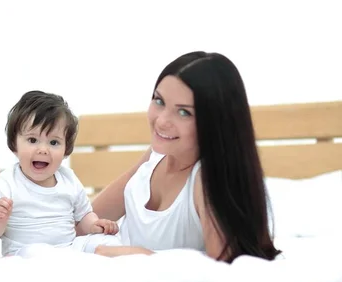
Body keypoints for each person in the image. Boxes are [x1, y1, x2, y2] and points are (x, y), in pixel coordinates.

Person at [91, 51, 281, 263]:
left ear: (216, 121)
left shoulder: (205, 179)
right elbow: (87, 217)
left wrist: (140, 256)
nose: (162, 121)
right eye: (159, 101)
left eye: (184, 113)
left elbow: (224, 270)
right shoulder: (156, 155)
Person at [0, 90, 120, 256]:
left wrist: (94, 225)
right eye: (32, 140)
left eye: (54, 142)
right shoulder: (6, 182)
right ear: (14, 144)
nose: (43, 149)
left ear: (65, 149)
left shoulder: (69, 179)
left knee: (108, 242)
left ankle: (124, 264)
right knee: (36, 251)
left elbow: (84, 216)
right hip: (24, 254)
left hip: (68, 248)